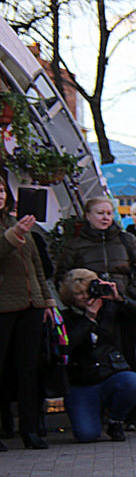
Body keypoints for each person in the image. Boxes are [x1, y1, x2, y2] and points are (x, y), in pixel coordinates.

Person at [55, 196, 136, 429]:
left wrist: (130, 294)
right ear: (88, 216)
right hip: (90, 310)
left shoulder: (126, 239)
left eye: (109, 213)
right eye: (100, 213)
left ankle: (131, 414)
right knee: (93, 356)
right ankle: (95, 407)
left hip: (121, 306)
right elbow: (62, 275)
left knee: (128, 358)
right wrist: (80, 297)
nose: (105, 217)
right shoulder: (75, 244)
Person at [0, 178, 56, 450]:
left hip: (31, 305)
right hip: (3, 306)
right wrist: (15, 235)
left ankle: (30, 429)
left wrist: (46, 300)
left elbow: (37, 267)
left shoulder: (19, 224)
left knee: (29, 368)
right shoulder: (15, 229)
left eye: (0, 191)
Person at [60, 269, 136, 442]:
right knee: (87, 435)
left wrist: (120, 299)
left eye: (87, 291)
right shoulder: (65, 317)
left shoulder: (110, 308)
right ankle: (94, 412)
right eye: (78, 293)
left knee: (133, 382)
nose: (85, 297)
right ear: (70, 296)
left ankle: (116, 420)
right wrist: (88, 319)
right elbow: (68, 345)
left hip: (110, 374)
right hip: (81, 382)